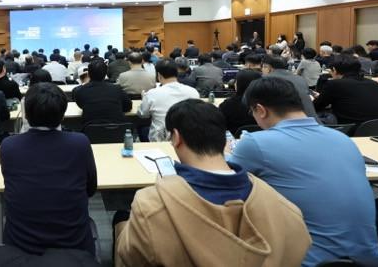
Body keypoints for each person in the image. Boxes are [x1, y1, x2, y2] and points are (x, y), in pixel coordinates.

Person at [116, 98, 311, 267]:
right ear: (224, 139)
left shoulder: (150, 206)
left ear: (176, 137)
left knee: (121, 221)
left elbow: (130, 257)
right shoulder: (285, 209)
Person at [230, 77, 378, 266]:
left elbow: (221, 182)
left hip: (306, 261)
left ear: (260, 110)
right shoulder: (342, 139)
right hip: (368, 260)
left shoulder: (255, 143)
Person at [2, 82, 97, 255]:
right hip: (73, 246)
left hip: (20, 248)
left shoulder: (9, 146)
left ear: (26, 114)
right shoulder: (80, 143)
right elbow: (90, 189)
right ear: (63, 114)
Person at [137, 60, 199, 141]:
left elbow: (143, 114)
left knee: (142, 127)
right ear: (177, 73)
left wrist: (144, 99)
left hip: (160, 140)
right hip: (188, 138)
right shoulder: (193, 92)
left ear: (159, 75)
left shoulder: (152, 94)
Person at [313, 54, 378, 124]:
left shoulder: (334, 84)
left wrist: (318, 97)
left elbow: (316, 106)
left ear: (334, 70)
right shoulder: (374, 83)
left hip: (347, 127)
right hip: (375, 127)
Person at [73, 60, 132, 126]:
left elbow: (82, 106)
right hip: (117, 130)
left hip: (90, 130)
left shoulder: (80, 91)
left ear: (88, 74)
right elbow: (128, 106)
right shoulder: (117, 89)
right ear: (105, 74)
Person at [218, 69, 261, 135]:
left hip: (233, 139)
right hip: (262, 138)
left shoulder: (227, 105)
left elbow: (220, 126)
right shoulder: (265, 105)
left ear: (238, 84)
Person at [18, 69, 52, 134]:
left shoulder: (25, 100)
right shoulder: (55, 98)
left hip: (28, 132)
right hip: (53, 133)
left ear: (32, 82)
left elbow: (26, 122)